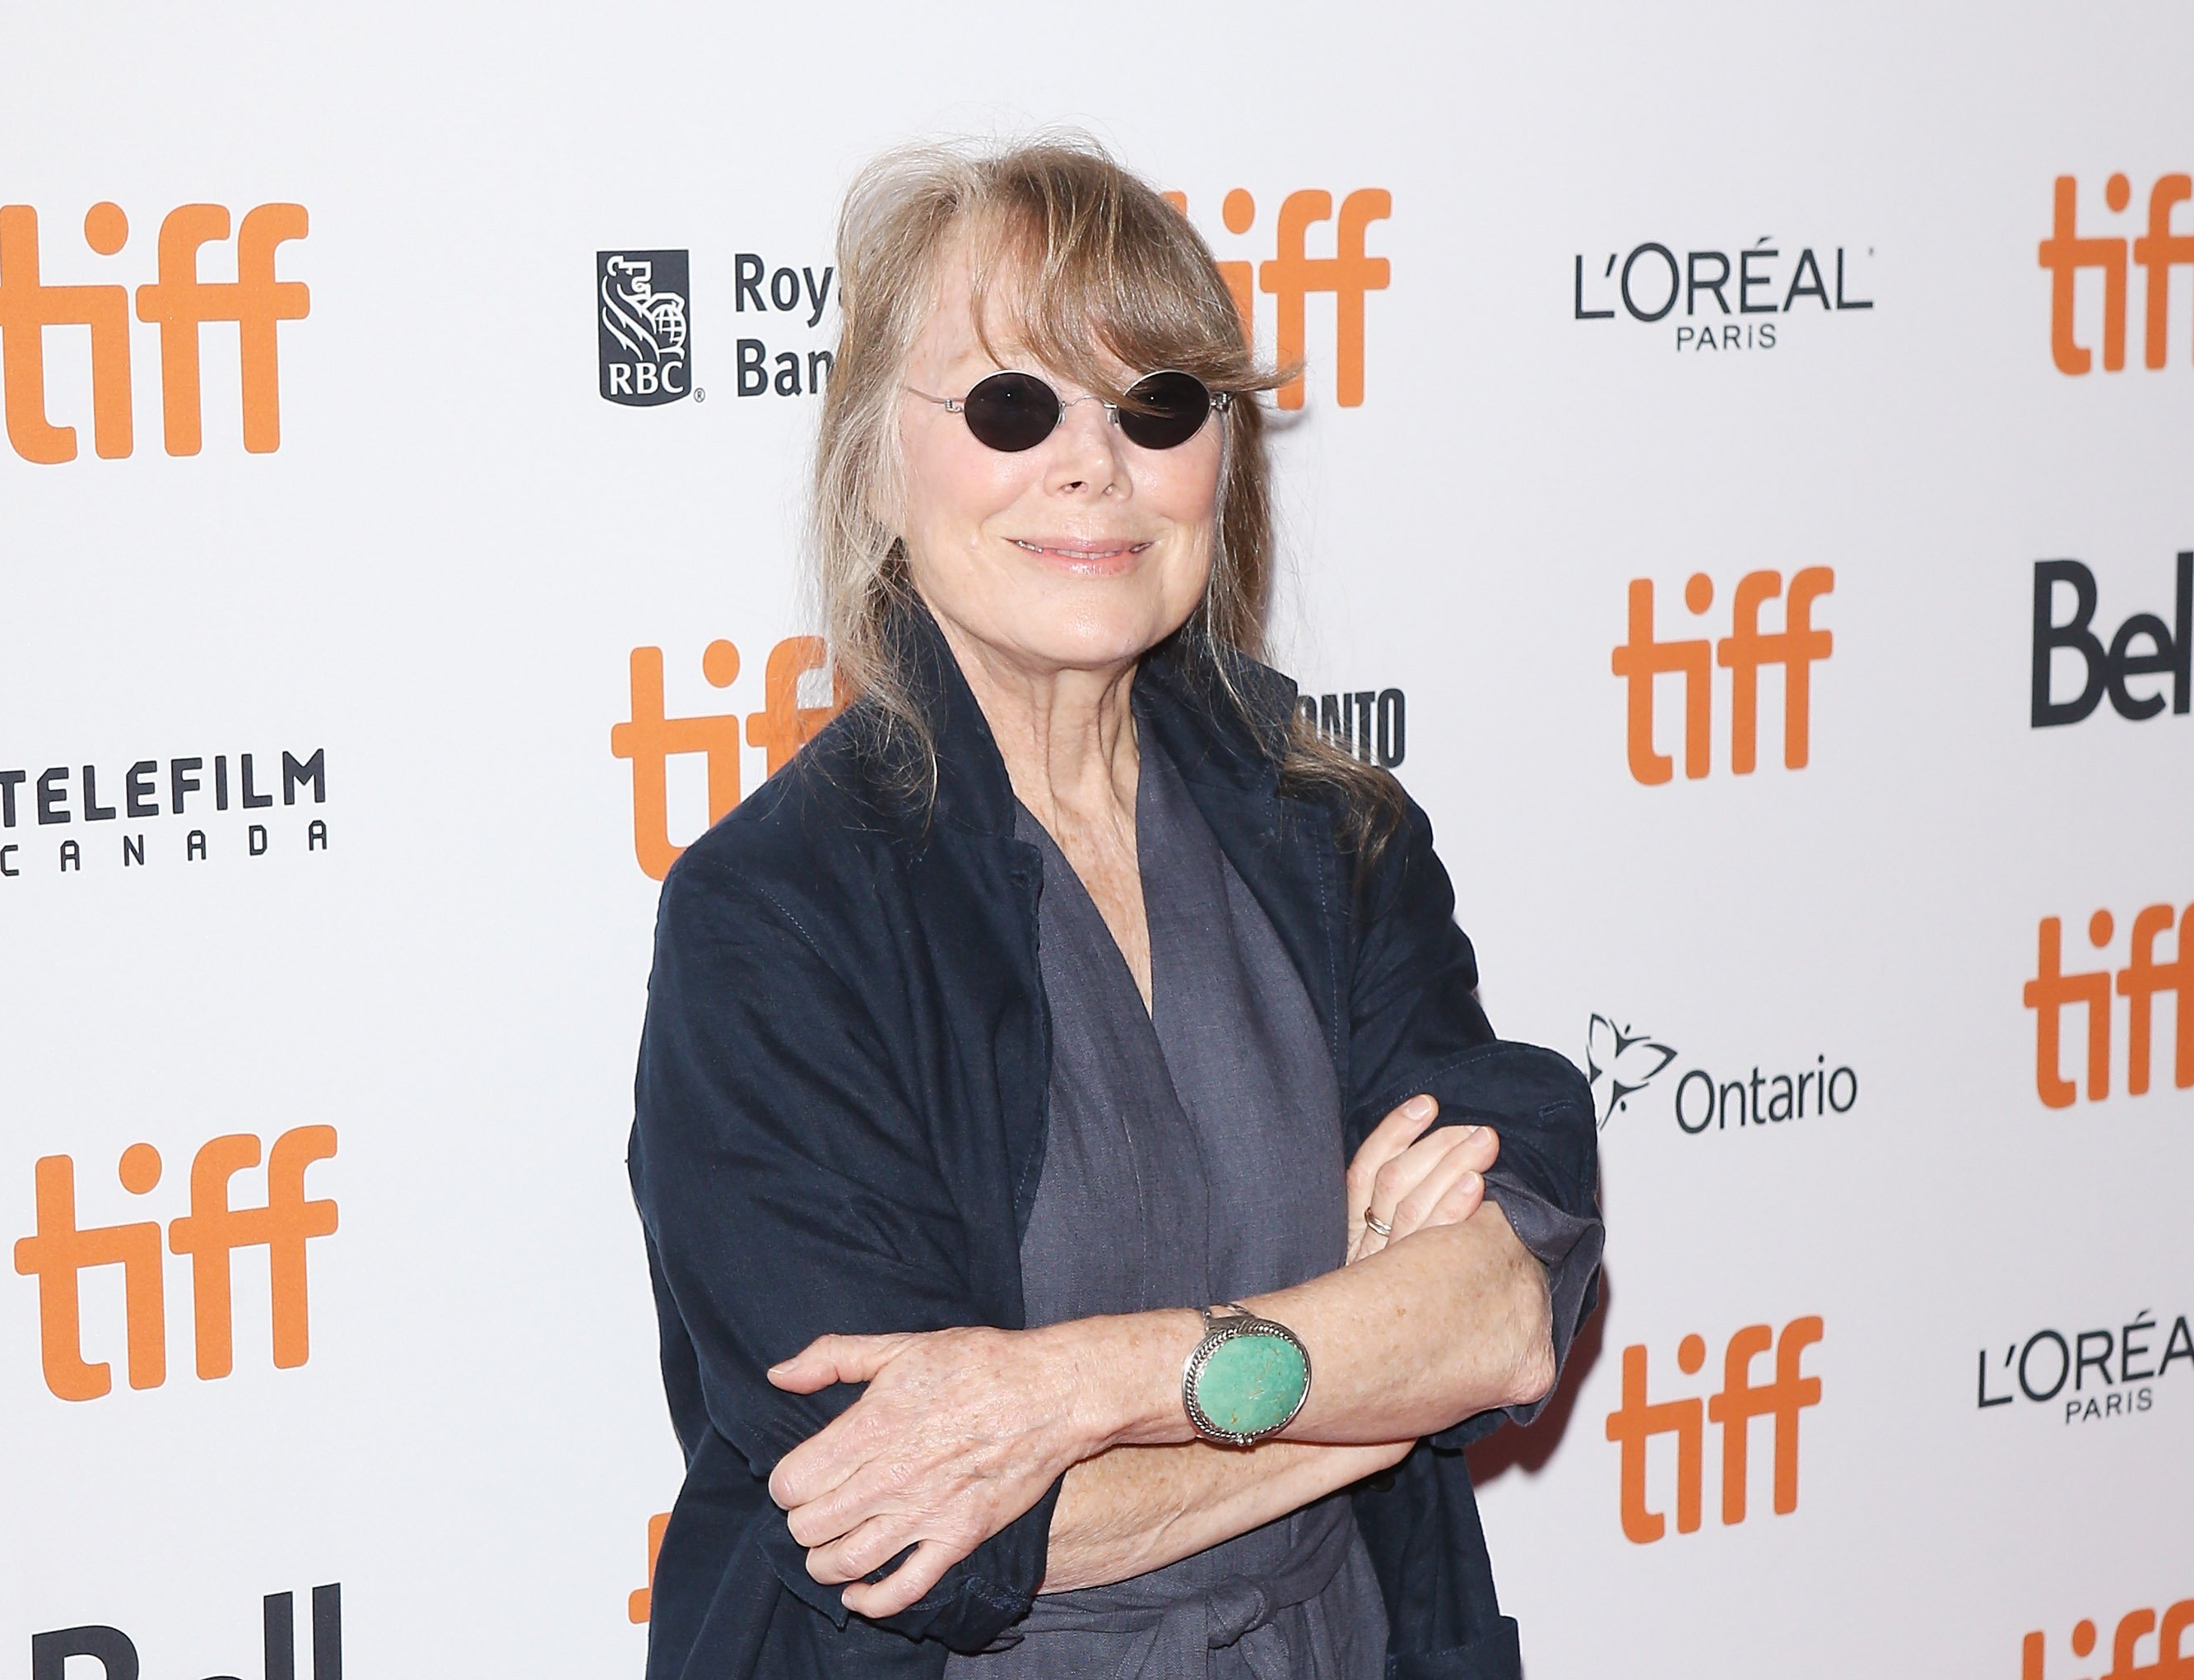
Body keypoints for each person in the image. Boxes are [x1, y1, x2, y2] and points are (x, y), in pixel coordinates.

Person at [628, 137, 1602, 1680]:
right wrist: (1364, 1364)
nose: (1094, 464)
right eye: (1015, 404)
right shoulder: (772, 920)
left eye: (1157, 404)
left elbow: (1509, 1307)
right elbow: (913, 1518)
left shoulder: (1335, 838)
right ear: (880, 461)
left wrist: (1074, 1389)